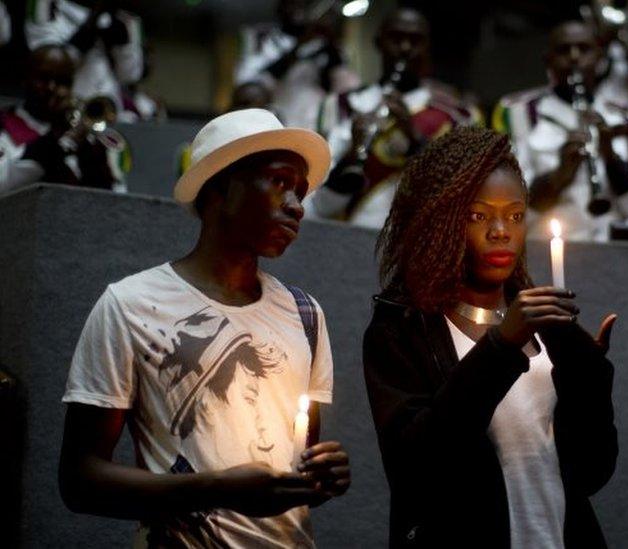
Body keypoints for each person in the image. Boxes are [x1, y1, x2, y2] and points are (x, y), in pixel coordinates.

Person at [59, 108, 351, 547]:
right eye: (278, 182)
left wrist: (321, 477)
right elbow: (80, 480)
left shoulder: (305, 314)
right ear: (220, 188)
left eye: (300, 190)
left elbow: (294, 472)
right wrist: (217, 489)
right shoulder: (132, 304)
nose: (296, 206)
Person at [364, 126, 617, 548]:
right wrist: (500, 347)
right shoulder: (402, 328)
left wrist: (587, 377)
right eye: (479, 215)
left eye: (515, 216)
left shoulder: (547, 327)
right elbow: (418, 470)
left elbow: (593, 471)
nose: (501, 231)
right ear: (440, 219)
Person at [306, 7, 479, 228]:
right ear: (379, 43)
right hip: (347, 239)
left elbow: (462, 197)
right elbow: (319, 207)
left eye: (415, 40)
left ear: (428, 46)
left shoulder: (457, 115)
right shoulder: (339, 106)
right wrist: (352, 154)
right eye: (396, 38)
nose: (405, 48)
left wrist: (415, 139)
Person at [494, 21, 628, 242]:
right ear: (548, 60)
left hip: (616, 257)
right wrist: (557, 178)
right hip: (544, 252)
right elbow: (504, 215)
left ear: (600, 58)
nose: (574, 57)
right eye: (564, 50)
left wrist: (611, 159)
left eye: (584, 49)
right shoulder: (517, 114)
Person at [0, 44, 129, 193]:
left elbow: (115, 195)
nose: (53, 88)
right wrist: (53, 141)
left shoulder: (83, 132)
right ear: (25, 79)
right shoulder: (4, 125)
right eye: (43, 79)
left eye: (63, 81)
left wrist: (88, 151)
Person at [234, 0, 360, 129]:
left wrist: (329, 41)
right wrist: (299, 47)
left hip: (315, 124)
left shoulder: (323, 44)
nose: (297, 8)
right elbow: (249, 86)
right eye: (291, 3)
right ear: (279, 7)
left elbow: (342, 87)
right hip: (277, 123)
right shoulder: (260, 39)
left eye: (302, 3)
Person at [25, 0, 145, 110]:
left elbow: (130, 76)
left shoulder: (125, 16)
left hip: (108, 110)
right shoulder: (44, 4)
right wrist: (94, 21)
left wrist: (123, 43)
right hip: (62, 109)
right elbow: (48, 62)